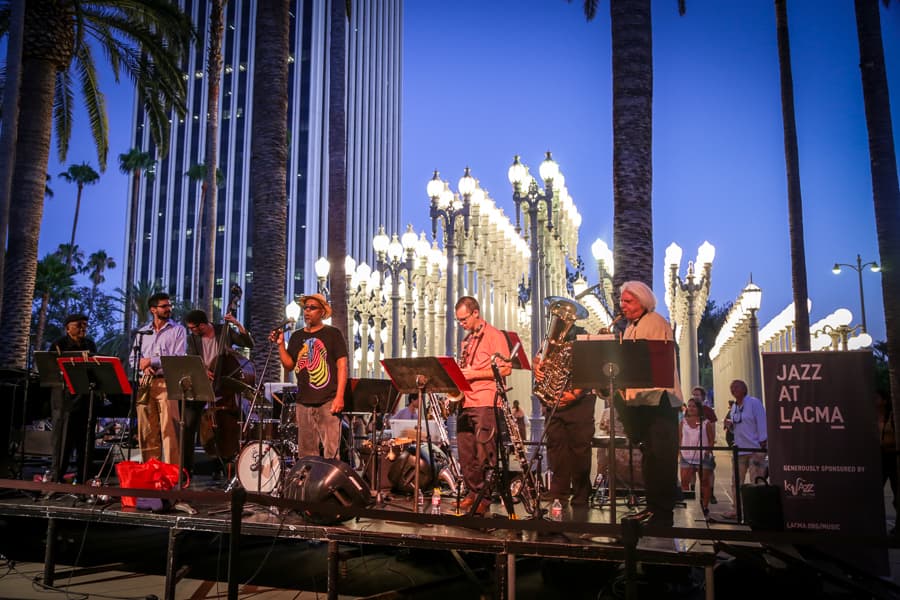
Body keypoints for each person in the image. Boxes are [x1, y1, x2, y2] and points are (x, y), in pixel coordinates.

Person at [613, 280, 682, 527]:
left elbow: (650, 364)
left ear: (643, 302)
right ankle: (654, 508)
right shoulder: (632, 326)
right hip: (644, 403)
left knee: (660, 459)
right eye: (622, 301)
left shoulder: (654, 323)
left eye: (628, 301)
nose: (623, 305)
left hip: (658, 403)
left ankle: (662, 513)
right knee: (651, 458)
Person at [454, 295, 512, 515]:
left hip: (486, 401)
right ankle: (472, 493)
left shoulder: (494, 335)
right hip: (466, 401)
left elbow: (506, 369)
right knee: (466, 451)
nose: (462, 324)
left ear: (476, 312)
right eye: (458, 321)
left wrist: (473, 373)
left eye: (464, 319)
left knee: (484, 452)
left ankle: (484, 498)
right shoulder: (468, 340)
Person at [273, 293, 348, 460]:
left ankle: (330, 485)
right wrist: (280, 345)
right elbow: (289, 365)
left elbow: (342, 366)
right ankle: (308, 484)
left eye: (312, 308)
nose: (307, 311)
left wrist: (339, 397)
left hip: (328, 401)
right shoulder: (297, 336)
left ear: (322, 312)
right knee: (306, 454)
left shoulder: (333, 334)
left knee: (331, 453)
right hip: (303, 402)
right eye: (305, 308)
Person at [183, 308, 254, 478]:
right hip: (202, 382)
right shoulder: (193, 338)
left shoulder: (224, 330)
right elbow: (192, 358)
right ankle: (186, 468)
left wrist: (237, 323)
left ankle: (222, 463)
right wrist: (203, 369)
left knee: (223, 425)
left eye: (193, 328)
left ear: (202, 325)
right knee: (189, 425)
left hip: (223, 384)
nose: (192, 332)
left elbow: (248, 343)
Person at [533, 325, 596, 507]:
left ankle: (581, 496)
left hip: (579, 404)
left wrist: (575, 393)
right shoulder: (550, 339)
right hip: (555, 403)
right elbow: (538, 359)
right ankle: (559, 495)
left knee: (580, 452)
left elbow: (590, 367)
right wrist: (537, 366)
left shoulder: (583, 338)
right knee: (556, 450)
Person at [136, 293, 187, 465]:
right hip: (145, 381)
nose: (168, 309)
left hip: (167, 381)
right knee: (147, 429)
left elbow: (178, 358)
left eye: (169, 306)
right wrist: (143, 365)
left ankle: (172, 473)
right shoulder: (142, 332)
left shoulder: (178, 330)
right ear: (153, 309)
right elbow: (133, 359)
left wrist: (151, 361)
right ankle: (151, 471)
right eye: (164, 306)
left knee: (169, 429)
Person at [48, 314, 98, 483]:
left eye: (85, 325)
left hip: (85, 399)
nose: (83, 328)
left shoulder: (90, 344)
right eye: (79, 325)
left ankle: (84, 480)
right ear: (68, 327)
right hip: (64, 400)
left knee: (85, 442)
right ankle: (57, 480)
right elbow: (50, 370)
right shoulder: (58, 344)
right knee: (62, 442)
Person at [722, 379, 767, 519]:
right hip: (740, 450)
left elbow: (762, 421)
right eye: (731, 387)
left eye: (735, 387)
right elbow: (738, 425)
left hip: (755, 449)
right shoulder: (735, 406)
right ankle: (737, 509)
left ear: (744, 388)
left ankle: (757, 511)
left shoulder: (754, 402)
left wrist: (763, 442)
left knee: (757, 482)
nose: (733, 389)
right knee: (736, 482)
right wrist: (729, 424)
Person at [679, 397, 716, 517]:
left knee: (704, 482)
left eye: (694, 406)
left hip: (703, 457)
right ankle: (686, 505)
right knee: (684, 481)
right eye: (689, 406)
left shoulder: (706, 423)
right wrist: (679, 452)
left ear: (699, 408)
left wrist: (708, 451)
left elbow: (711, 439)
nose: (691, 408)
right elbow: (679, 438)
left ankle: (705, 506)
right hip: (686, 456)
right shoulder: (683, 422)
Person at [691, 386, 718, 504]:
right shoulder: (689, 410)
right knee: (692, 470)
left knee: (708, 471)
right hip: (691, 447)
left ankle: (710, 493)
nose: (695, 396)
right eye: (694, 394)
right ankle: (692, 492)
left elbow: (712, 430)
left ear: (702, 397)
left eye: (698, 394)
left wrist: (710, 446)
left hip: (705, 447)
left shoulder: (708, 411)